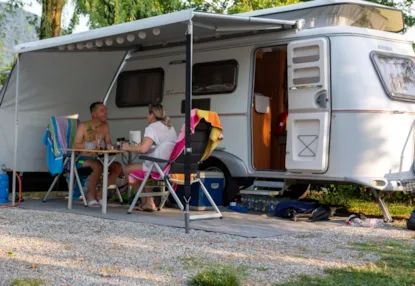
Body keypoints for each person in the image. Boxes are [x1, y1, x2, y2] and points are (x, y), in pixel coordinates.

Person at [123, 104, 177, 211]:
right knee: (144, 173)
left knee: (127, 169)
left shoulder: (151, 128)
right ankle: (148, 201)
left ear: (152, 114)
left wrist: (127, 147)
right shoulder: (170, 128)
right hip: (168, 166)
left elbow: (143, 149)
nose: (147, 117)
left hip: (156, 166)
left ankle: (147, 201)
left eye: (148, 114)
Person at [73, 102, 122, 207]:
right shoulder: (83, 126)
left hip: (98, 159)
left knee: (117, 166)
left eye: (105, 110)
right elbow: (75, 145)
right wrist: (90, 145)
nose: (106, 113)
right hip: (82, 160)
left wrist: (117, 146)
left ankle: (100, 194)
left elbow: (108, 144)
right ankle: (91, 196)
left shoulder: (105, 126)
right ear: (94, 114)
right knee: (97, 166)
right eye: (102, 110)